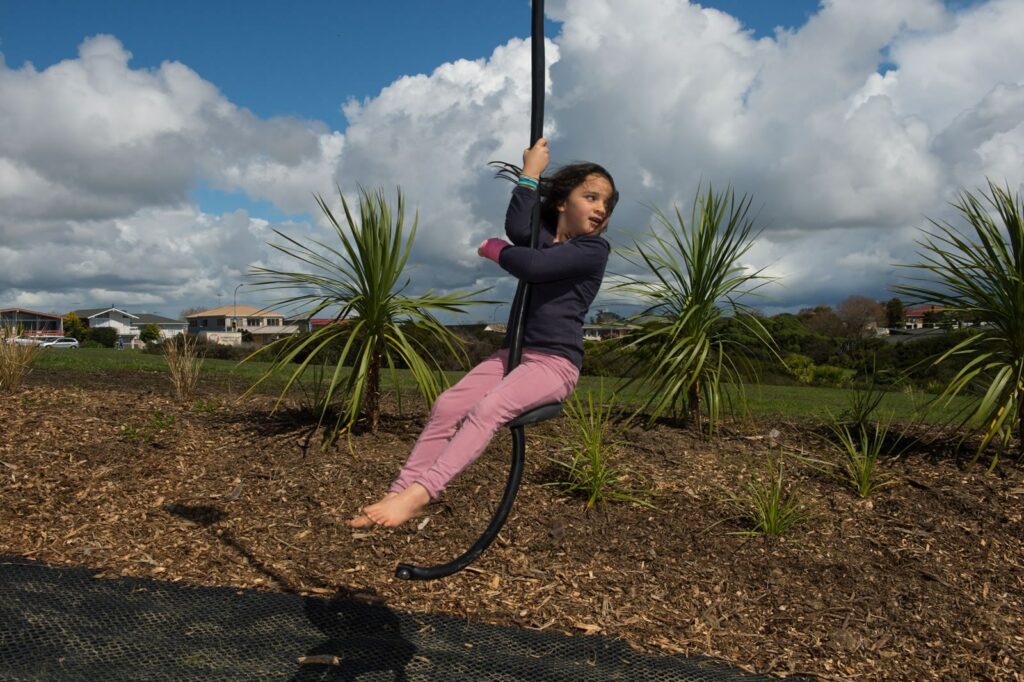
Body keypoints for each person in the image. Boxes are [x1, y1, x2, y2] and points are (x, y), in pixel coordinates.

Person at [351, 138, 619, 528]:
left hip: (554, 363)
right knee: (448, 405)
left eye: (606, 204)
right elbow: (518, 226)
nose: (600, 209)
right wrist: (529, 175)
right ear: (563, 202)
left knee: (488, 409)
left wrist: (495, 249)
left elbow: (534, 268)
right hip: (513, 355)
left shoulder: (594, 250)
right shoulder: (544, 240)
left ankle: (421, 494)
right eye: (591, 197)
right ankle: (402, 489)